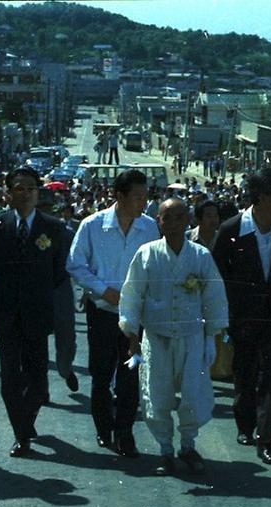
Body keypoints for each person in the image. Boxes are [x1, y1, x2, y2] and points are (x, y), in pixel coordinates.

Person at [119, 198, 228, 475]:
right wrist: (131, 334)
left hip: (191, 335)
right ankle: (165, 449)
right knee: (157, 394)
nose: (175, 223)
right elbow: (132, 294)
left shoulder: (200, 256)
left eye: (180, 217)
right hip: (156, 336)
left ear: (188, 220)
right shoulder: (147, 253)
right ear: (159, 221)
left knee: (193, 392)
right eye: (168, 217)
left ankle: (188, 445)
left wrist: (212, 337)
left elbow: (214, 297)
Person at [213, 168, 271, 465]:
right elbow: (217, 275)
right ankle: (244, 425)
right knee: (246, 371)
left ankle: (266, 439)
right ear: (263, 197)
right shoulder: (232, 229)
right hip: (244, 316)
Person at [67, 169, 159, 456]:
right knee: (101, 374)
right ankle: (103, 428)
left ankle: (125, 432)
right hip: (103, 312)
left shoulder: (149, 227)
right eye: (137, 197)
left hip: (134, 316)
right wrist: (103, 290)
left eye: (146, 196)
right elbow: (75, 264)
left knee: (131, 374)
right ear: (119, 196)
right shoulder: (92, 225)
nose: (143, 202)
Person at [0, 166, 69, 457]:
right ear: (8, 193)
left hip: (38, 312)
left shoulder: (52, 226)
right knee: (10, 377)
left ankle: (25, 420)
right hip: (5, 312)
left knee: (38, 379)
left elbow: (58, 271)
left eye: (31, 187)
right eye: (19, 187)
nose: (26, 193)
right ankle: (21, 434)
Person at [36, 189, 78, 394]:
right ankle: (41, 387)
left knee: (67, 337)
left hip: (60, 288)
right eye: (39, 208)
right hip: (35, 291)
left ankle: (66, 369)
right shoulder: (27, 231)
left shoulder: (64, 231)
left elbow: (79, 260)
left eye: (46, 208)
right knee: (36, 341)